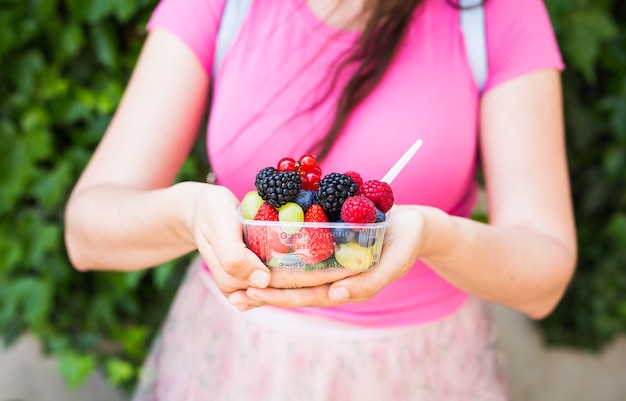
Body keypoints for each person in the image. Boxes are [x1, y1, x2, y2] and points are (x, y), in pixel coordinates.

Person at [64, 0, 577, 399]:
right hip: (237, 366)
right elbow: (86, 233)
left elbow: (544, 279)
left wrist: (436, 236)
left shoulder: (492, 13)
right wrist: (188, 214)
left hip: (423, 372)